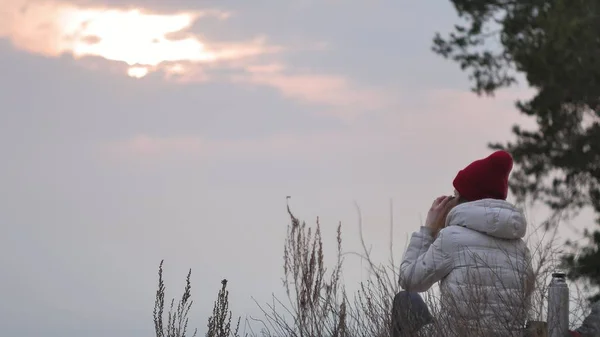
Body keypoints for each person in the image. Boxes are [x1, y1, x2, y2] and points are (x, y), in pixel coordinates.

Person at [392, 150, 534, 337]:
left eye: (454, 194)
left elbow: (409, 280)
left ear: (464, 199)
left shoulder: (452, 239)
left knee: (406, 299)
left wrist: (428, 230)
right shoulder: (521, 250)